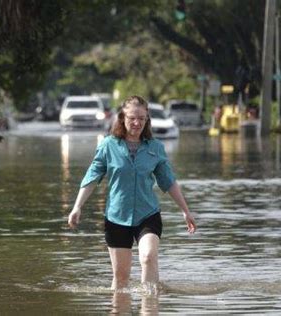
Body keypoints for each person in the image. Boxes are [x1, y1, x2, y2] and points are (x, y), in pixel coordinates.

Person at [67, 95, 196, 291]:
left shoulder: (155, 148)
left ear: (147, 120)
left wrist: (185, 211)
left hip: (148, 214)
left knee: (148, 256)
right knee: (121, 280)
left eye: (142, 119)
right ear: (122, 118)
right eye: (132, 118)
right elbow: (92, 177)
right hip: (117, 217)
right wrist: (77, 207)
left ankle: (150, 305)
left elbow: (169, 181)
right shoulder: (108, 145)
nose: (137, 123)